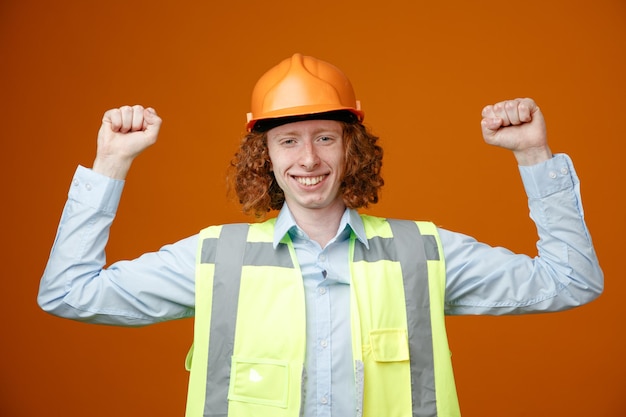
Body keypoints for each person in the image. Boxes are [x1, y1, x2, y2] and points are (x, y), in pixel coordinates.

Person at [38, 53, 603, 417]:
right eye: (288, 141)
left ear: (352, 147)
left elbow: (572, 281)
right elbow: (67, 293)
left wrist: (534, 154)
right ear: (263, 155)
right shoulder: (215, 259)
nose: (308, 158)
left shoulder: (421, 253)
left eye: (325, 138)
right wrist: (109, 165)